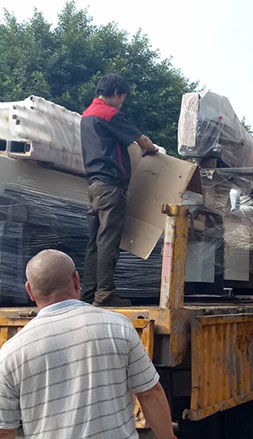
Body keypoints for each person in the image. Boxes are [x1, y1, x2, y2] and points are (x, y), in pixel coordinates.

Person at [0, 249, 184, 439]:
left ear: (29, 291)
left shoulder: (14, 351)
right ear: (77, 280)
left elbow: (0, 431)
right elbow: (150, 393)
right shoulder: (118, 327)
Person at [80, 74, 158, 307]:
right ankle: (105, 294)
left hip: (94, 186)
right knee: (108, 241)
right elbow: (143, 141)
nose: (122, 103)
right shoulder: (109, 114)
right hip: (111, 186)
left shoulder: (86, 115)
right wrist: (151, 150)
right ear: (115, 93)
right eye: (122, 98)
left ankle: (88, 294)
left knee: (94, 242)